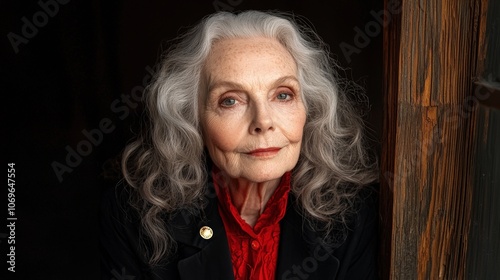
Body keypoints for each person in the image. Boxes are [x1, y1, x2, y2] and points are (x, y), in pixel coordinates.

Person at [100, 10, 379, 280]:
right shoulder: (133, 215)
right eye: (230, 100)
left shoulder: (355, 215)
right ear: (192, 119)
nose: (263, 121)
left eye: (283, 95)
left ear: (310, 109)